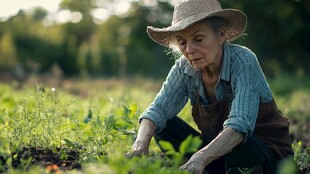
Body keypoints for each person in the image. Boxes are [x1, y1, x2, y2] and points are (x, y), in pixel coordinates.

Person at [131, 0, 294, 173]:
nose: (189, 50)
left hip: (266, 155)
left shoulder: (243, 61)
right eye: (182, 42)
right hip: (217, 155)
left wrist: (200, 157)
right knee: (162, 125)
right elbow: (156, 110)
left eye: (198, 39)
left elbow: (240, 125)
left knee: (241, 144)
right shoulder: (184, 68)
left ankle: (206, 165)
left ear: (221, 35)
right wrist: (139, 145)